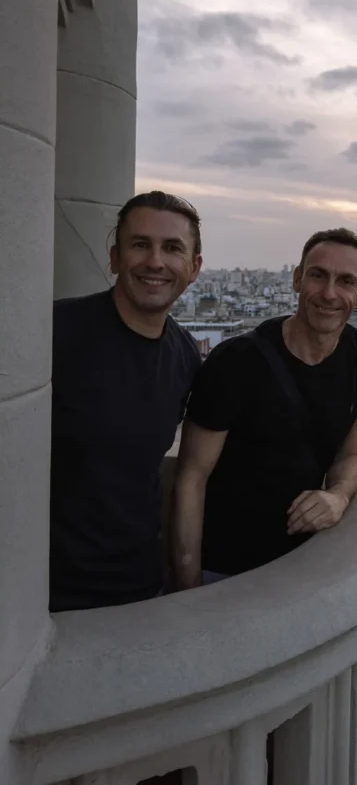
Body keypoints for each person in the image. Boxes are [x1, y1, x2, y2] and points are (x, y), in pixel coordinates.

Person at [172, 228, 357, 589]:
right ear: (297, 279)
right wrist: (189, 589)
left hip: (302, 563)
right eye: (318, 275)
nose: (330, 293)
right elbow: (192, 478)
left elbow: (352, 455)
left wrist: (337, 496)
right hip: (224, 567)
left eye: (346, 281)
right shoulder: (235, 362)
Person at [49, 191, 203, 612]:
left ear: (194, 268)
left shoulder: (185, 355)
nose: (155, 261)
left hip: (139, 587)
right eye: (140, 245)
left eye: (172, 248)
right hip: (43, 594)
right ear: (115, 258)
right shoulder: (56, 332)